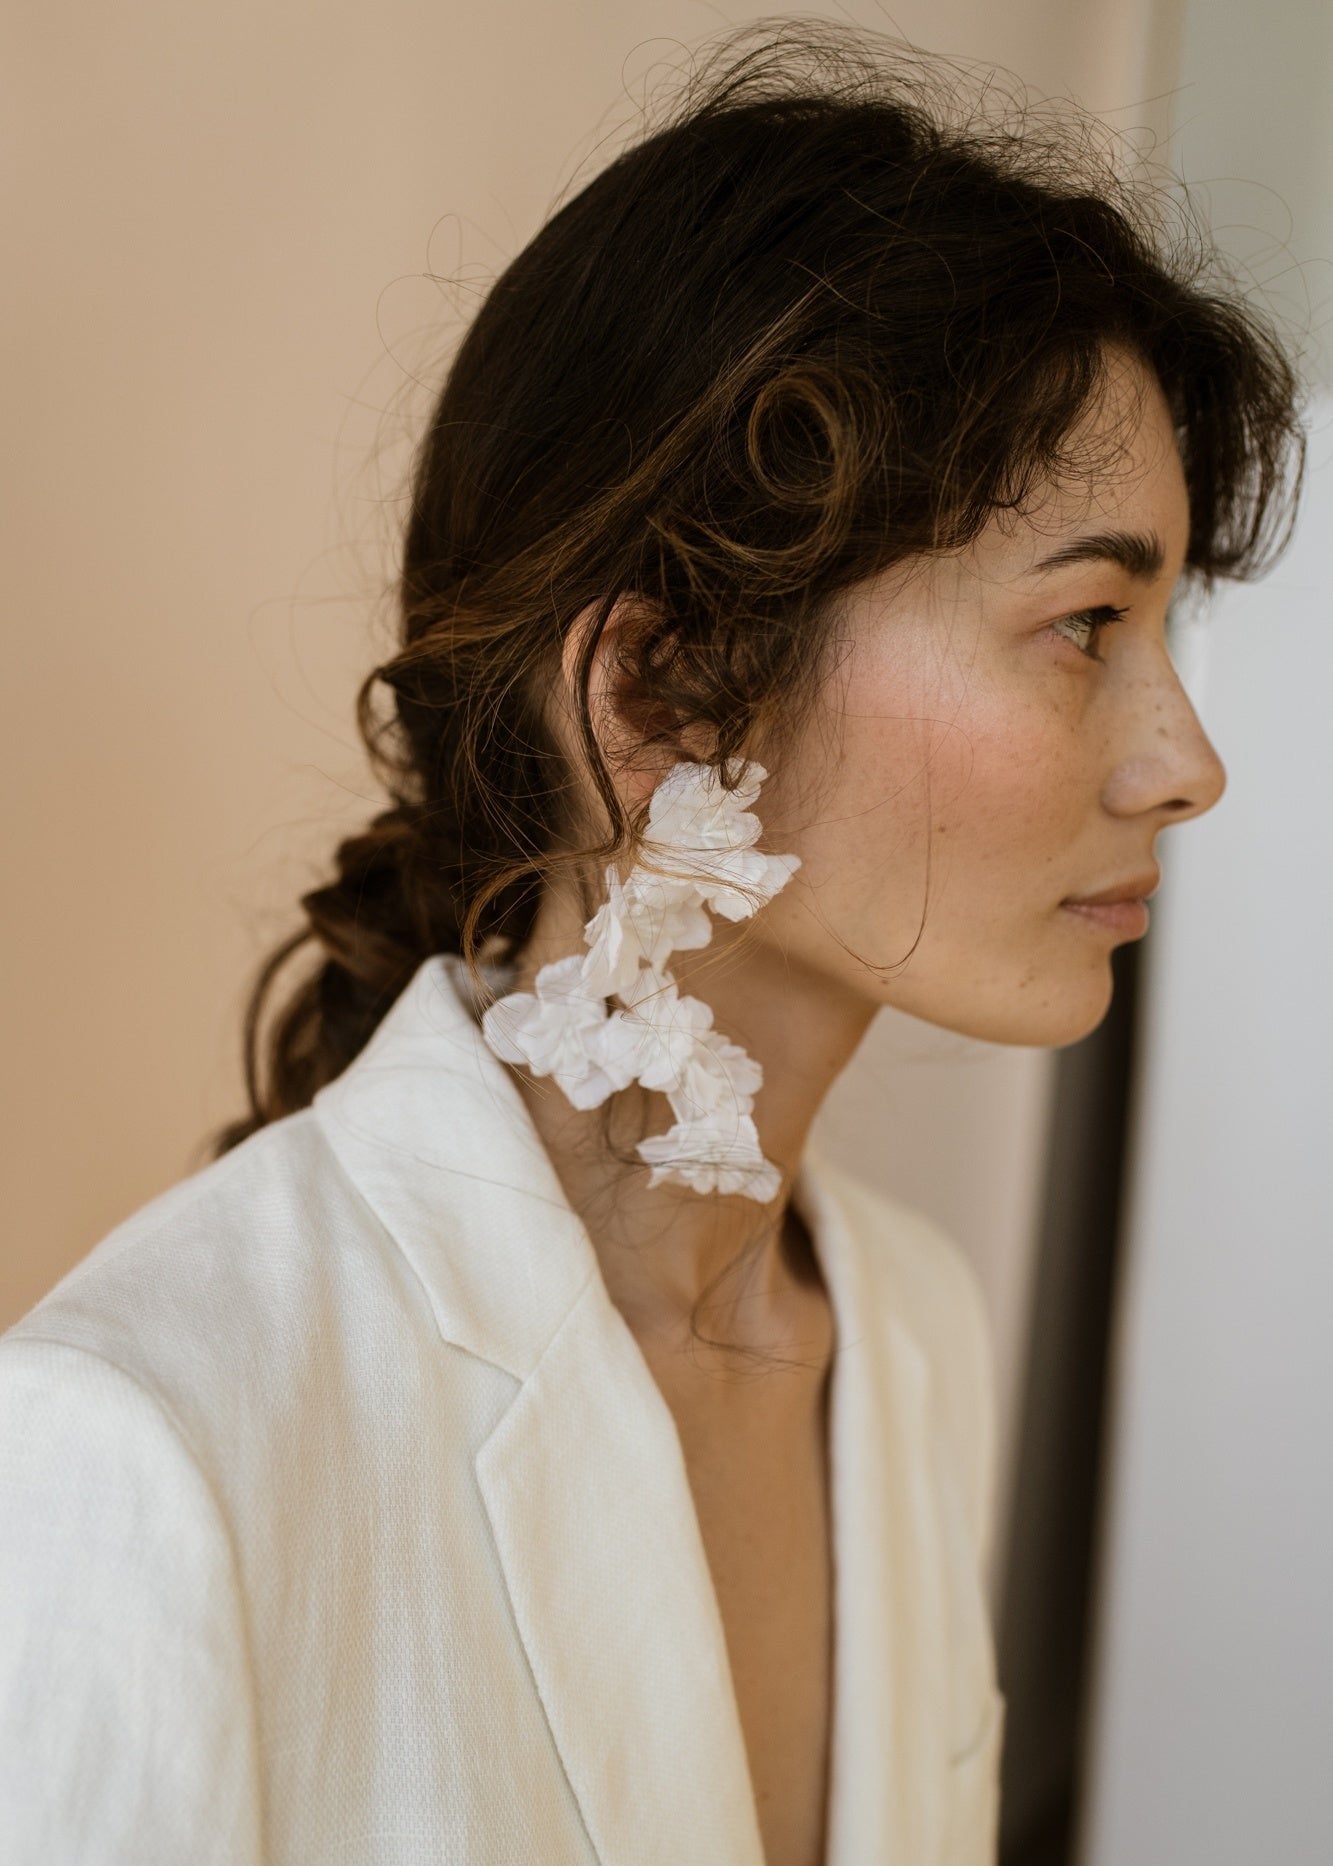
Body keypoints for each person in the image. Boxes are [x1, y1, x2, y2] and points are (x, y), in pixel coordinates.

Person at [0, 20, 1304, 1866]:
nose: (1188, 765)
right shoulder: (137, 1449)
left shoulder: (913, 1335)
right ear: (659, 694)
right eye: (1087, 622)